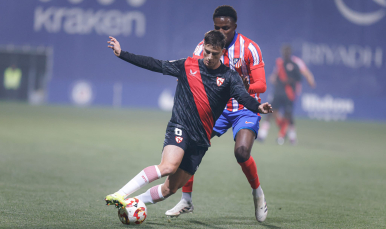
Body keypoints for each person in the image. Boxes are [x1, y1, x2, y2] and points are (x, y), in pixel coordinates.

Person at [104, 31, 273, 220]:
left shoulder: (230, 77)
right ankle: (121, 194)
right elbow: (155, 64)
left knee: (170, 189)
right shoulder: (187, 65)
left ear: (222, 52)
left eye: (214, 54)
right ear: (203, 49)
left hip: (200, 140)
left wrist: (259, 107)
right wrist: (122, 53)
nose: (209, 57)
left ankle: (132, 202)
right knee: (168, 166)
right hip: (180, 126)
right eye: (207, 52)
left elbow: (244, 97)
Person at [165, 5, 268, 222]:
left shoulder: (249, 48)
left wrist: (242, 87)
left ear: (235, 27)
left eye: (226, 27)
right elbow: (190, 70)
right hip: (215, 109)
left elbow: (261, 84)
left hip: (243, 108)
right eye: (217, 27)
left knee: (241, 153)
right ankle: (186, 199)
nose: (221, 31)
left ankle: (257, 193)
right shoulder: (204, 46)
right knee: (189, 146)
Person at [257, 44, 315, 145]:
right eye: (284, 52)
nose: (285, 54)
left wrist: (311, 81)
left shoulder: (296, 62)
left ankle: (292, 137)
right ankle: (263, 134)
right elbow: (275, 75)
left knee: (289, 114)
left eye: (287, 52)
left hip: (290, 92)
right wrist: (273, 80)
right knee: (271, 112)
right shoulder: (280, 62)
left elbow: (305, 72)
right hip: (279, 91)